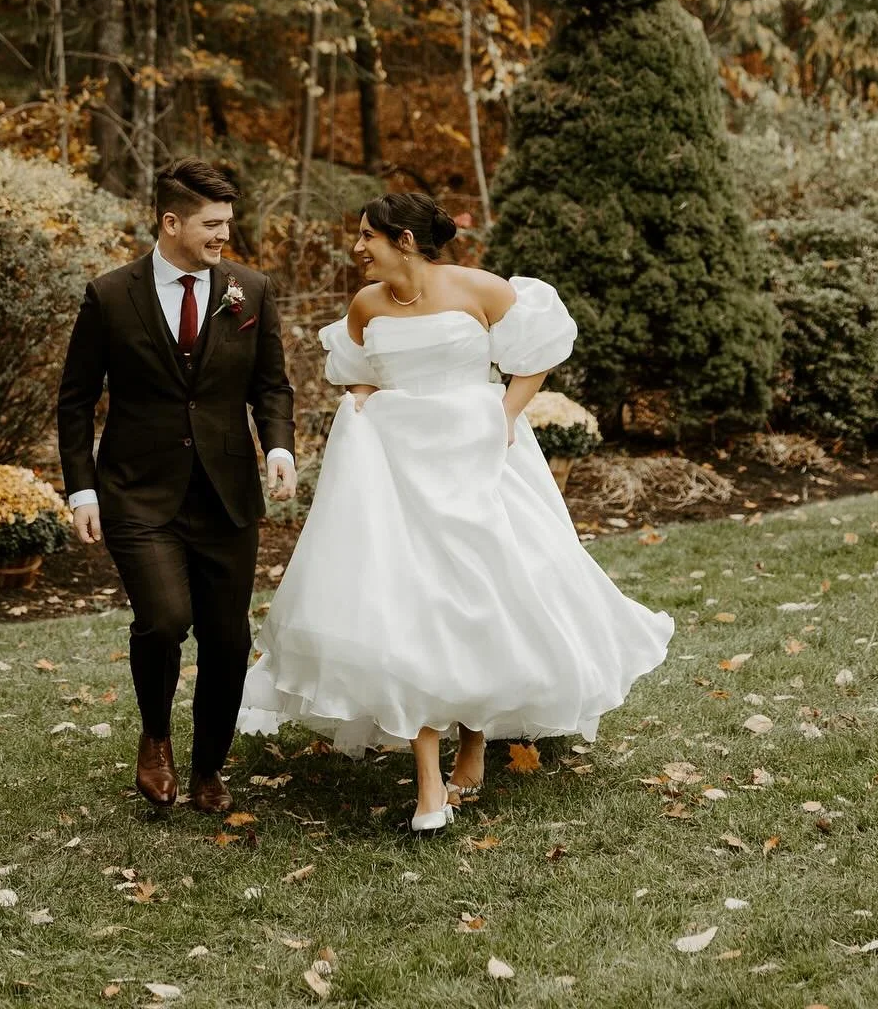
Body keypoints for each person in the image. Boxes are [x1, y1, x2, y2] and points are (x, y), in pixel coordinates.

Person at [238, 190, 673, 833]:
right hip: (398, 469)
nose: (357, 247)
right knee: (414, 605)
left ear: (405, 239)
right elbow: (359, 376)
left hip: (477, 458)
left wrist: (502, 416)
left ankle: (474, 744)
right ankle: (428, 786)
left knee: (481, 596)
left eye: (368, 236)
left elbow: (540, 354)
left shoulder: (481, 290)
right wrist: (359, 413)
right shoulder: (365, 304)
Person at [57, 158, 296, 814]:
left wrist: (277, 445)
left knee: (227, 639)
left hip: (226, 494)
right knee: (164, 621)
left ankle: (208, 770)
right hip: (137, 491)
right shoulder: (110, 296)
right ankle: (156, 737)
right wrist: (82, 490)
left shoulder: (250, 290)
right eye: (212, 223)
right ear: (171, 221)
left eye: (227, 222)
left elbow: (271, 386)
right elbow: (75, 401)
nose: (225, 235)